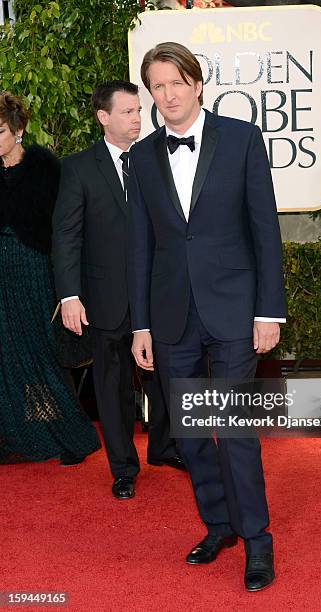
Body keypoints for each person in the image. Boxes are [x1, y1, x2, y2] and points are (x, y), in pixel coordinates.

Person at [128, 43, 286, 591]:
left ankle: (258, 542)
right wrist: (141, 325)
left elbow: (265, 230)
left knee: (237, 432)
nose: (168, 95)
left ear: (197, 83)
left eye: (176, 82)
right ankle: (219, 525)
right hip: (172, 318)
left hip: (237, 312)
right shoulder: (143, 157)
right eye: (157, 86)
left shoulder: (241, 139)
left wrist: (269, 311)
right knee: (192, 437)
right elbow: (140, 247)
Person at [52, 80, 184, 501]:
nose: (136, 119)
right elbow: (66, 235)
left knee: (165, 376)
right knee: (112, 387)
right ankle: (124, 467)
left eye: (138, 111)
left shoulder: (155, 158)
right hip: (105, 297)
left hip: (159, 292)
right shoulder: (78, 168)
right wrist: (69, 295)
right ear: (103, 117)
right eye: (127, 112)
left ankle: (165, 447)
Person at [0, 91, 100, 465]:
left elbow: (67, 230)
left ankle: (62, 434)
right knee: (5, 355)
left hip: (35, 269)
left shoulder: (46, 167)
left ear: (18, 129)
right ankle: (13, 437)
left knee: (40, 352)